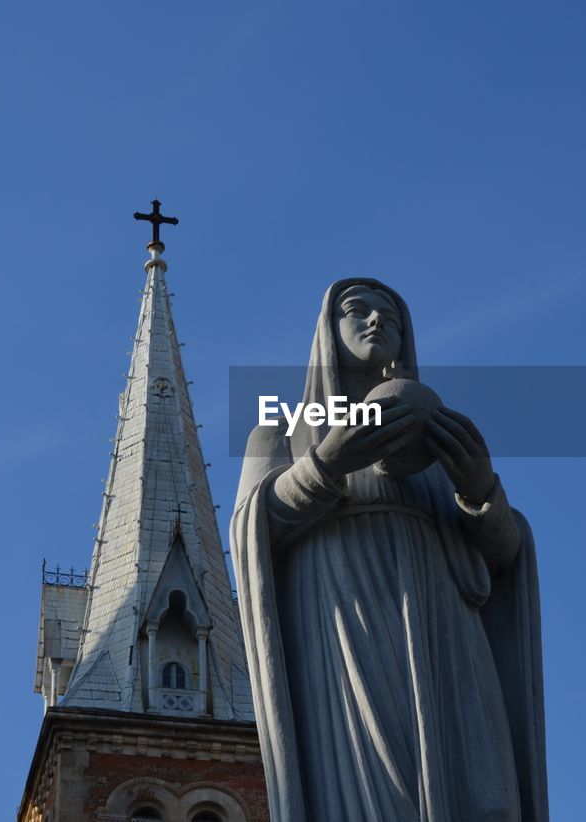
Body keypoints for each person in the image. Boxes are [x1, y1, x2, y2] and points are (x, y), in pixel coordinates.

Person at [232, 279, 548, 821]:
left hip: (448, 635)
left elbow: (503, 560)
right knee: (381, 800)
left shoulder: (439, 442)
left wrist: (480, 492)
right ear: (327, 332)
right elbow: (253, 532)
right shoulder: (284, 433)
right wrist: (326, 464)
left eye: (392, 318)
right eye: (358, 310)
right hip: (348, 629)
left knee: (489, 798)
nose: (377, 322)